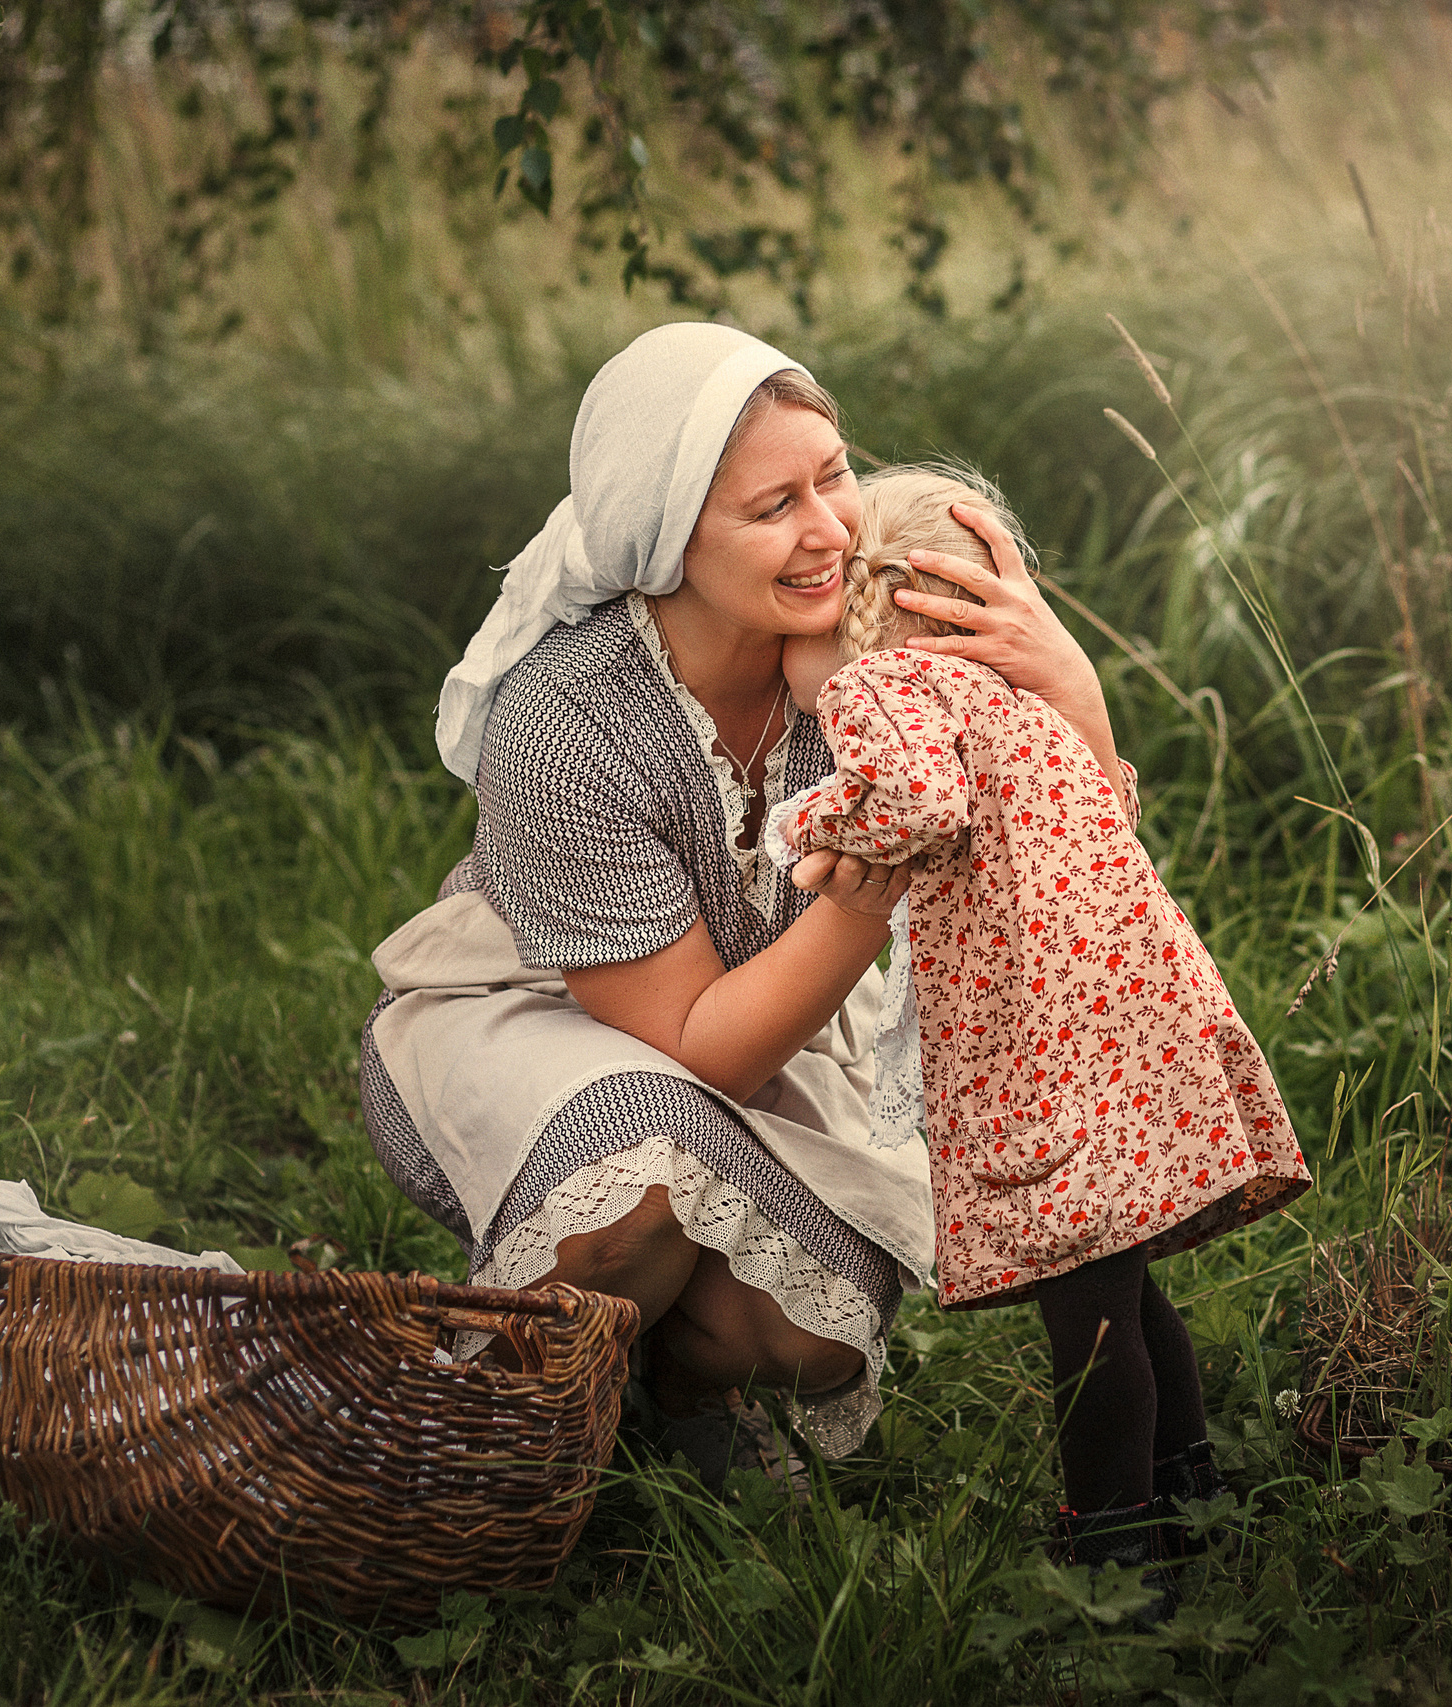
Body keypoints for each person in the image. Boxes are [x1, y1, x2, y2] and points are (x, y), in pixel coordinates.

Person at [356, 324, 1124, 1483]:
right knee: (640, 1182)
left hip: (773, 1019)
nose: (828, 528)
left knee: (798, 1334)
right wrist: (863, 906)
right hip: (542, 1023)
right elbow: (687, 1044)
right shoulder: (566, 721)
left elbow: (1078, 863)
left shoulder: (868, 638)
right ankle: (502, 1451)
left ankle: (664, 1389)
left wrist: (1067, 679)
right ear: (669, 541)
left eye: (832, 475)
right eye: (772, 507)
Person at [773, 465, 1311, 1590]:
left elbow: (916, 804)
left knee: (1086, 1305)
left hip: (1041, 1042)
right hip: (1126, 1020)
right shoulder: (1010, 699)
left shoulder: (882, 692)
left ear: (872, 606)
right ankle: (1189, 1481)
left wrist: (806, 817)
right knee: (1119, 1272)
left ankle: (1115, 1542)